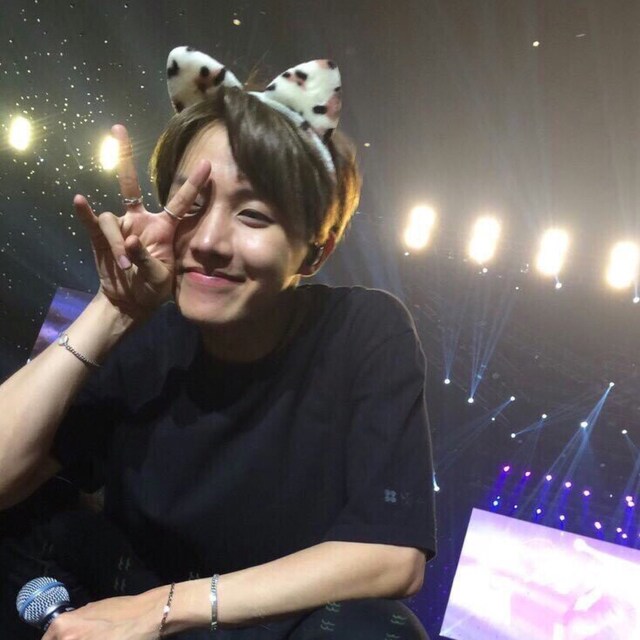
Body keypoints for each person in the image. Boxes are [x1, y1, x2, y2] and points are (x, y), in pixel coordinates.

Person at [0, 46, 436, 639]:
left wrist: (162, 608)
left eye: (253, 215)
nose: (207, 241)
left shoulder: (363, 330)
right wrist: (115, 310)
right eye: (193, 204)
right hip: (122, 601)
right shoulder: (148, 337)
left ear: (316, 250)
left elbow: (393, 557)